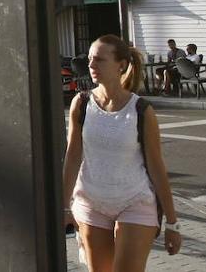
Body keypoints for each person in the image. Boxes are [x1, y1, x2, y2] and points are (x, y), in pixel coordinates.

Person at [63, 34, 181, 270]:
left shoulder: (140, 110)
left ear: (122, 65)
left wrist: (172, 222)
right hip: (91, 201)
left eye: (99, 60)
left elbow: (157, 167)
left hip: (134, 201)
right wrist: (65, 206)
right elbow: (73, 156)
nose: (91, 65)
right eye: (89, 60)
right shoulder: (82, 103)